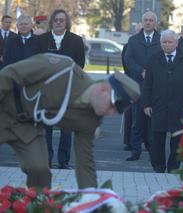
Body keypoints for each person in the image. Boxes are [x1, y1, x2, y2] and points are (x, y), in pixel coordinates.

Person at [0, 53, 140, 188]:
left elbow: (85, 162)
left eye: (117, 112)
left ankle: (37, 205)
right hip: (4, 109)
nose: (111, 113)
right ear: (103, 89)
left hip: (27, 127)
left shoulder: (92, 120)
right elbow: (10, 74)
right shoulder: (62, 69)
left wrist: (91, 198)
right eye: (112, 106)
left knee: (40, 171)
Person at [38, 9, 85, 169]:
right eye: (56, 20)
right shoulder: (42, 40)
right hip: (47, 90)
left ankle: (64, 161)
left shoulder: (76, 41)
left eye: (62, 20)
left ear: (67, 23)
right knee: (46, 128)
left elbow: (80, 65)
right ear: (52, 22)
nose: (59, 22)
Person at [142, 30, 183, 173]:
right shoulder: (154, 60)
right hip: (158, 105)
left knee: (177, 140)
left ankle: (173, 167)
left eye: (170, 42)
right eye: (164, 42)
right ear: (160, 43)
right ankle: (158, 167)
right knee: (157, 140)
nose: (167, 45)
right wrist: (146, 104)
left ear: (176, 43)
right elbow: (147, 84)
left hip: (179, 106)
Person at [124, 11, 161, 161]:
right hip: (137, 84)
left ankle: (154, 150)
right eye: (146, 20)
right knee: (137, 120)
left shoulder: (161, 40)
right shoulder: (133, 40)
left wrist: (151, 73)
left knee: (153, 120)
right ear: (142, 22)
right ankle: (135, 150)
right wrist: (141, 71)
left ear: (155, 23)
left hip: (156, 86)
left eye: (151, 20)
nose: (148, 22)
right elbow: (128, 59)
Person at [122, 22, 143, 151]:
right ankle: (129, 141)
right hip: (131, 80)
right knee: (131, 114)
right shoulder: (130, 44)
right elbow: (126, 62)